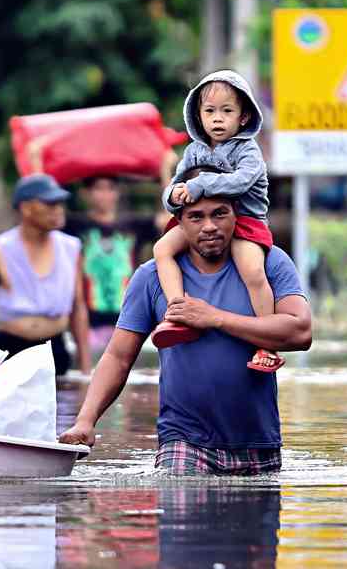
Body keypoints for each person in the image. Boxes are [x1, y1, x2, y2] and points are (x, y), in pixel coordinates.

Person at [59, 190, 312, 476]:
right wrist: (85, 420)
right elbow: (118, 357)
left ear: (237, 215)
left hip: (258, 441)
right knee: (182, 511)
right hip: (183, 442)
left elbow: (300, 332)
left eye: (219, 213)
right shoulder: (151, 277)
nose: (209, 226)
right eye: (196, 217)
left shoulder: (268, 262)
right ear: (178, 222)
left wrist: (214, 318)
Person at [152, 70, 282, 372]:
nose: (218, 119)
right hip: (203, 221)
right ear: (198, 116)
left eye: (227, 111)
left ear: (244, 117)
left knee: (252, 270)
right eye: (210, 111)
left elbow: (240, 181)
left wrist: (198, 187)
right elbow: (175, 185)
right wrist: (173, 197)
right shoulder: (194, 151)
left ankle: (267, 344)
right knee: (162, 249)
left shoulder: (248, 149)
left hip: (245, 220)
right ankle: (177, 312)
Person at [0, 174, 91, 375]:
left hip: (54, 348)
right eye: (50, 204)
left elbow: (78, 307)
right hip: (8, 347)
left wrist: (86, 368)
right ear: (26, 208)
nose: (58, 210)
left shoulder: (71, 247)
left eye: (60, 204)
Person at [64, 171, 171, 351]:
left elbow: (169, 220)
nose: (105, 195)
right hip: (88, 324)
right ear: (86, 193)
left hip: (128, 321)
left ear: (118, 192)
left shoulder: (133, 225)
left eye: (110, 189)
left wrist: (165, 171)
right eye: (98, 189)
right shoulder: (75, 226)